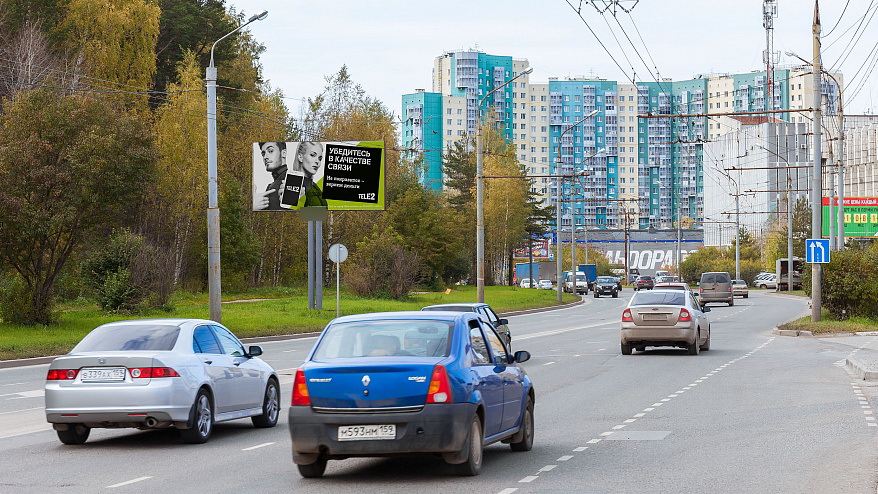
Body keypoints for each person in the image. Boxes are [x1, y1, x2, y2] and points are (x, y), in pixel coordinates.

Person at [291, 141, 328, 207]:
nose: (317, 162)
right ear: (300, 157)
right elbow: (289, 215)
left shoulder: (315, 187)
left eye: (320, 159)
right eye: (312, 155)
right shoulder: (293, 185)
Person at [254, 141, 286, 210]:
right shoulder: (272, 185)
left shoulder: (296, 181)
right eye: (263, 154)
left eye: (270, 151)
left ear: (283, 153)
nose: (265, 157)